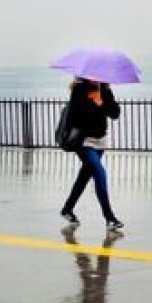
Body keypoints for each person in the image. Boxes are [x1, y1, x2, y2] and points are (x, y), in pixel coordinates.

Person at [59, 77, 125, 231]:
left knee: (84, 176)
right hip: (84, 141)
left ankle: (67, 209)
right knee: (99, 174)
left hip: (100, 140)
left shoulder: (105, 89)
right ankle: (110, 218)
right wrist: (94, 103)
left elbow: (115, 113)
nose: (96, 78)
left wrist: (102, 102)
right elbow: (75, 116)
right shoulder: (79, 89)